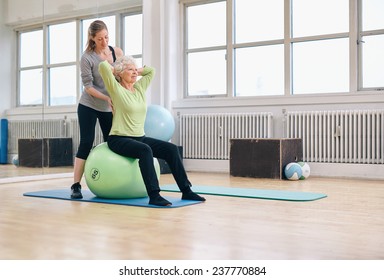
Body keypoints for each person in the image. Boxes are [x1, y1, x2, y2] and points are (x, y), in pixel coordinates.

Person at [98, 56, 206, 206]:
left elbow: (151, 71)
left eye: (136, 70)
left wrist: (135, 70)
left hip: (139, 137)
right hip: (119, 139)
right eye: (130, 70)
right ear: (120, 73)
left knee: (172, 149)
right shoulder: (115, 89)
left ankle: (186, 190)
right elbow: (103, 67)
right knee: (145, 150)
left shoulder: (139, 88)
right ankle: (154, 195)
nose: (135, 73)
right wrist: (115, 68)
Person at [71, 20, 123, 199]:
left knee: (113, 141)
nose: (104, 41)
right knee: (86, 141)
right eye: (100, 39)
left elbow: (122, 76)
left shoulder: (116, 52)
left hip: (109, 106)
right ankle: (76, 185)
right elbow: (88, 86)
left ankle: (116, 178)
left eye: (106, 37)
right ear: (92, 38)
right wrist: (107, 98)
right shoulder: (87, 58)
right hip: (89, 105)